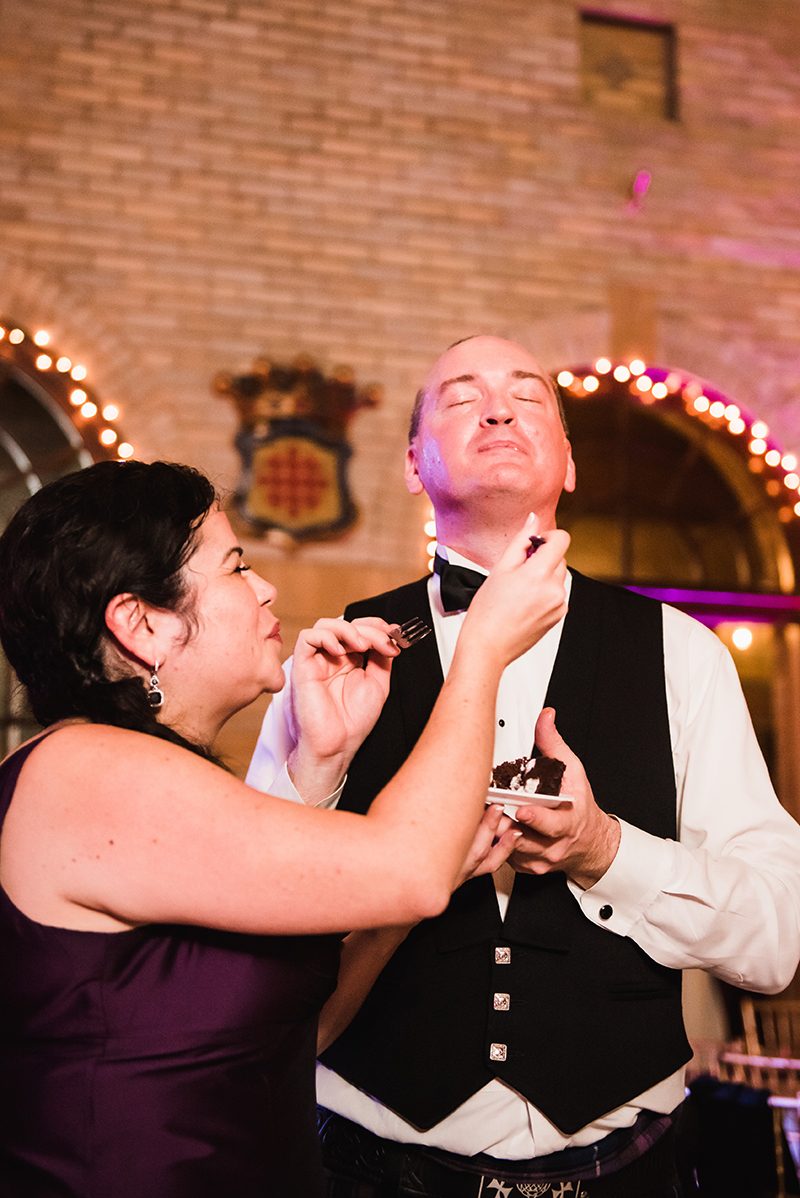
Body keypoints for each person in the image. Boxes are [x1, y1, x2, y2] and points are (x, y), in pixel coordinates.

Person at [248, 335, 800, 1198]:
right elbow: (249, 946)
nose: (497, 408)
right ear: (411, 464)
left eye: (527, 395)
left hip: (626, 1175)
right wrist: (316, 779)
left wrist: (607, 851)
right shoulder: (332, 662)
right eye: (461, 397)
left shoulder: (683, 657)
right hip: (367, 1173)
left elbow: (778, 941)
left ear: (571, 463)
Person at [0, 457, 571, 1198]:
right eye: (236, 567)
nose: (266, 587)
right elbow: (408, 870)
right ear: (141, 623)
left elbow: (293, 1036)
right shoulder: (83, 772)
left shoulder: (146, 776)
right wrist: (483, 651)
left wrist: (321, 761)